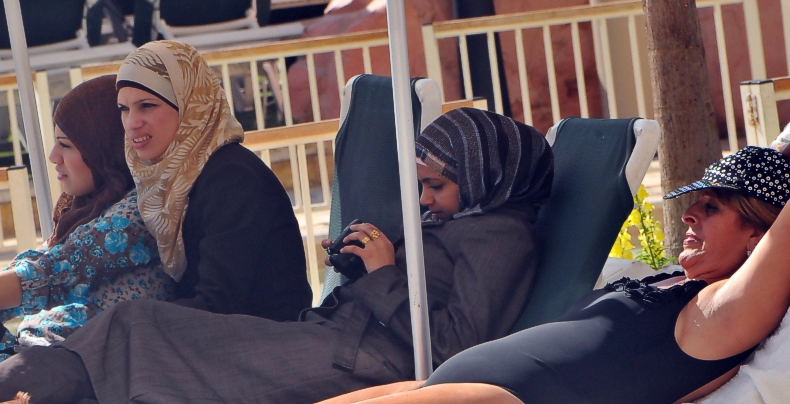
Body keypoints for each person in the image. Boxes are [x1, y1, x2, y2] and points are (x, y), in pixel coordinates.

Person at [0, 107, 554, 404]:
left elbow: (452, 346)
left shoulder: (500, 238)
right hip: (338, 337)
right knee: (135, 327)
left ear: (484, 178)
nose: (425, 200)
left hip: (366, 361)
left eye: (436, 187)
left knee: (139, 326)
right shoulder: (463, 219)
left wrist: (382, 276)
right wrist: (363, 263)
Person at [316, 146, 790, 404]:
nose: (689, 216)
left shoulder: (721, 313)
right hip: (446, 385)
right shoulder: (676, 283)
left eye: (712, 208)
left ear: (758, 237)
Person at [0, 75, 175, 372]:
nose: (53, 157)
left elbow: (46, 273)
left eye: (66, 145)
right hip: (34, 354)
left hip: (67, 367)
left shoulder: (137, 215)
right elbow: (28, 270)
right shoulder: (90, 208)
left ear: (103, 147)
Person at [113, 40, 312, 318]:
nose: (131, 122)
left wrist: (128, 321)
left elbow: (220, 304)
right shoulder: (170, 179)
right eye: (124, 109)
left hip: (268, 344)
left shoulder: (233, 179)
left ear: (189, 103)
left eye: (146, 105)